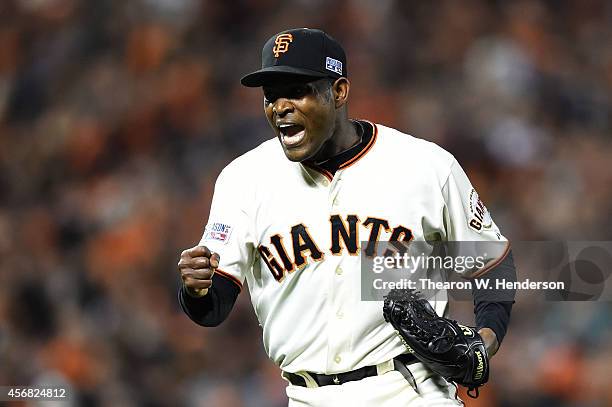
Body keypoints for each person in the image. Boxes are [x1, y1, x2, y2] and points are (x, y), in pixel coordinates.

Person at [177, 28, 515, 406]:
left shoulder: (425, 166)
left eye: (298, 91)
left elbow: (492, 262)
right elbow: (211, 309)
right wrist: (197, 289)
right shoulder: (244, 179)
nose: (281, 107)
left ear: (339, 91)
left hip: (410, 391)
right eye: (271, 96)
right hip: (307, 397)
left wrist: (485, 340)